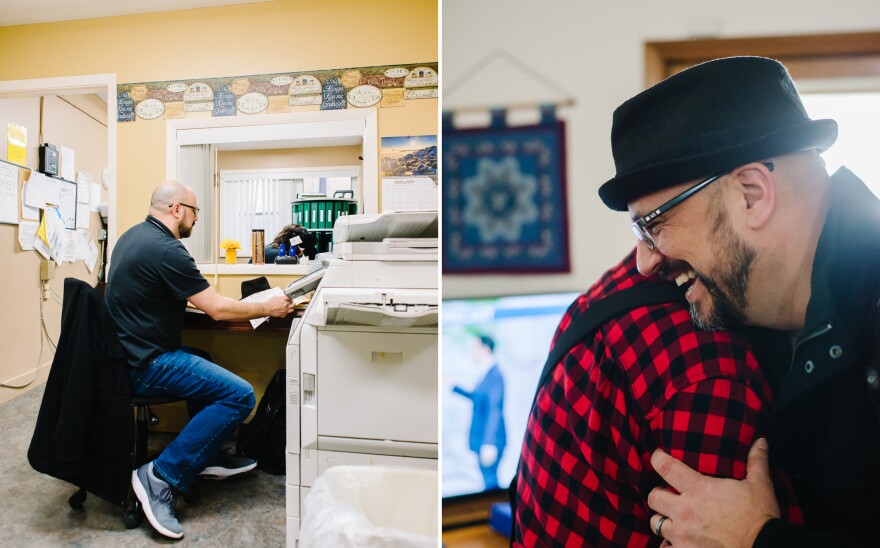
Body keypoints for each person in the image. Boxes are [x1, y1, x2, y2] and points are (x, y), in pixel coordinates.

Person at [597, 56, 880, 546]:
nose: (643, 264)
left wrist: (755, 539)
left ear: (751, 194)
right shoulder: (741, 320)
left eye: (653, 224)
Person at [512, 249, 802, 546]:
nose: (645, 259)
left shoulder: (612, 290)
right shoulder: (706, 370)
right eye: (642, 225)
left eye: (657, 220)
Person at [106, 180, 296, 539]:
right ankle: (161, 476)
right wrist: (268, 306)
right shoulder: (167, 249)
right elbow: (218, 310)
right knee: (239, 395)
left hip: (123, 356)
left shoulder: (132, 237)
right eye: (195, 212)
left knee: (203, 357)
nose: (196, 220)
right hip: (146, 364)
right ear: (177, 210)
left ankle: (203, 455)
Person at [452, 334, 506, 490]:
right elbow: (479, 399)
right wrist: (454, 386)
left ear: (485, 349)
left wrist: (489, 443)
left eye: (475, 348)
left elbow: (494, 409)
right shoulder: (488, 373)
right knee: (488, 481)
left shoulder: (495, 375)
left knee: (490, 483)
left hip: (490, 440)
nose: (472, 352)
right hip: (483, 439)